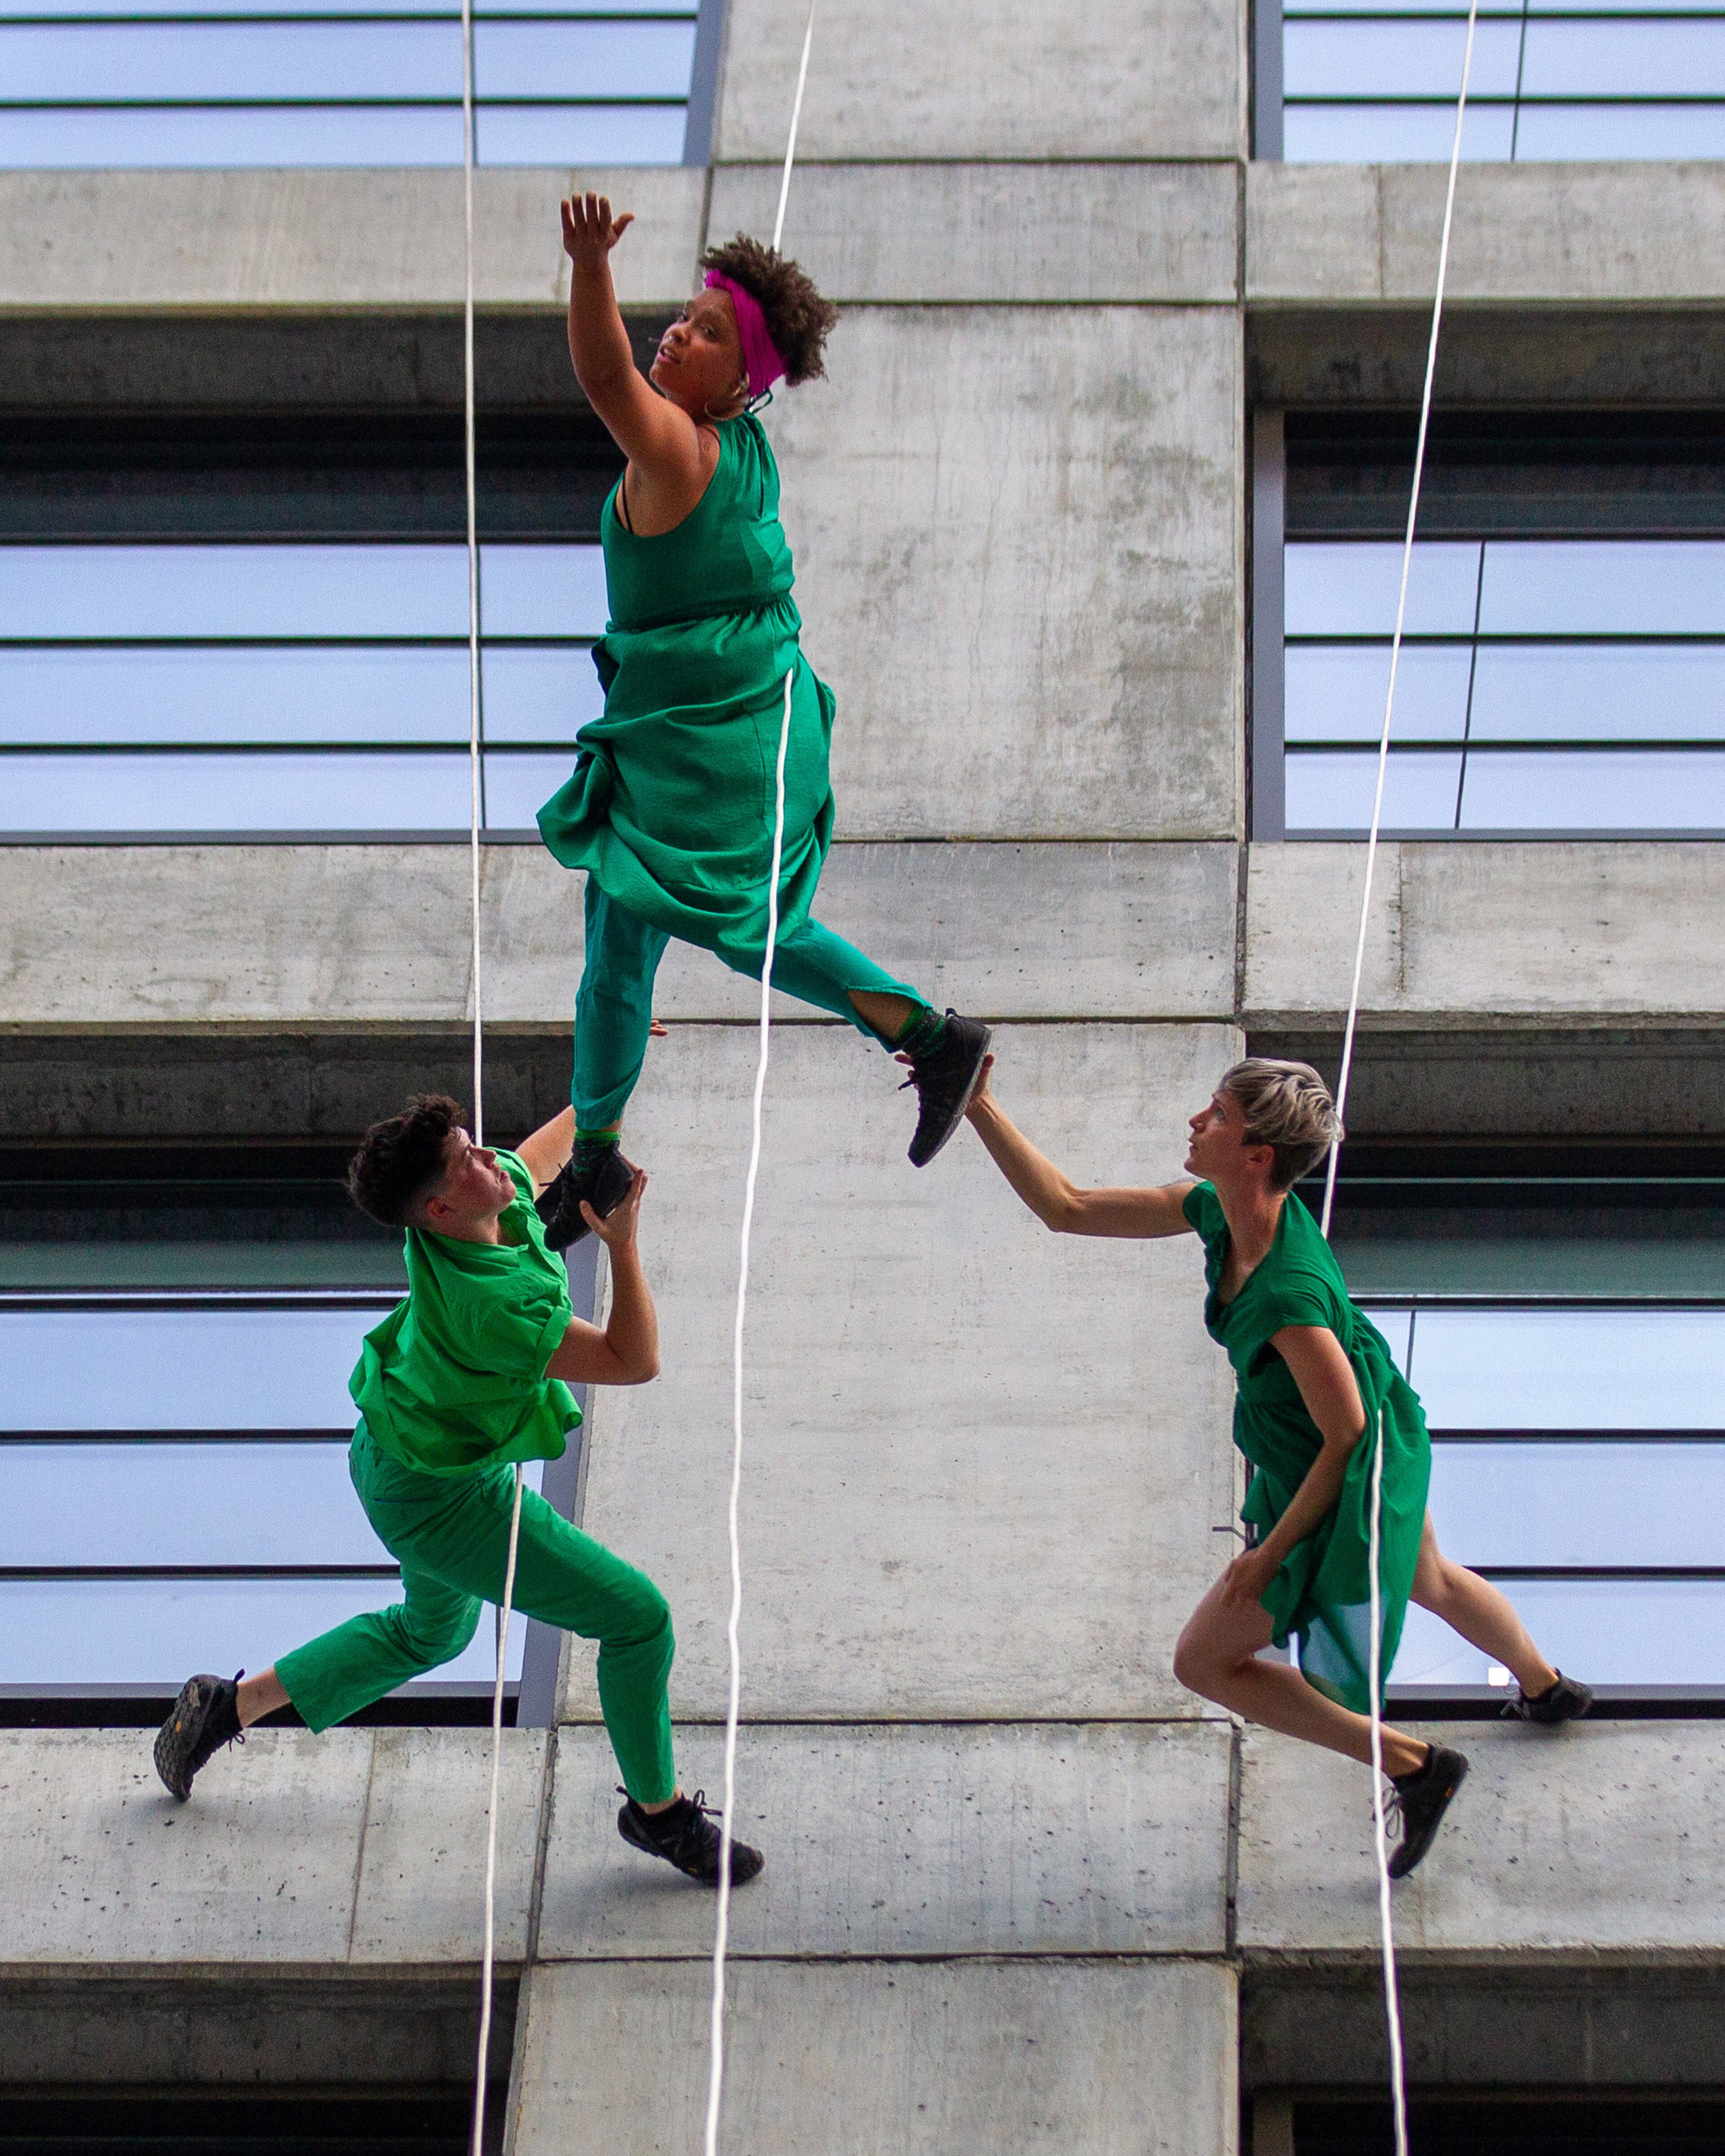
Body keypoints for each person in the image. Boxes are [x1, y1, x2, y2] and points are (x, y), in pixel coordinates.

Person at [964, 1054, 1591, 1880]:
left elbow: (1345, 1435)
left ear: (1257, 1154)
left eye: (1216, 1114)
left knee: (1204, 1661)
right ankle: (1548, 1689)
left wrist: (1267, 1554)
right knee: (1428, 1574)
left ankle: (1413, 1762)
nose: (1195, 1122)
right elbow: (1068, 1207)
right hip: (1342, 1428)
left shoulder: (1290, 1296)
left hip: (1348, 1455)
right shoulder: (1220, 1214)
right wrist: (978, 1104)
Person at [530, 194, 991, 1249]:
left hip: (727, 741)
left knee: (747, 927)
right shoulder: (737, 445)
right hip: (695, 728)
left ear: (742, 384)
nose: (677, 335)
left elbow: (603, 378)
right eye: (684, 318)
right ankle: (593, 1147)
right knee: (616, 937)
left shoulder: (682, 451)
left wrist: (590, 265)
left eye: (706, 334)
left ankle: (931, 1034)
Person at [153, 1092, 763, 1889]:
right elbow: (632, 1362)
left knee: (429, 1634)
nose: (490, 1157)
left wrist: (612, 1072)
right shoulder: (494, 1311)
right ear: (439, 1208)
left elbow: (553, 1144)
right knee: (639, 1621)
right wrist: (623, 1247)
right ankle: (659, 1815)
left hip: (394, 1461)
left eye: (475, 1144)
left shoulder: (476, 1198)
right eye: (468, 1160)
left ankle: (224, 1707)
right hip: (445, 1503)